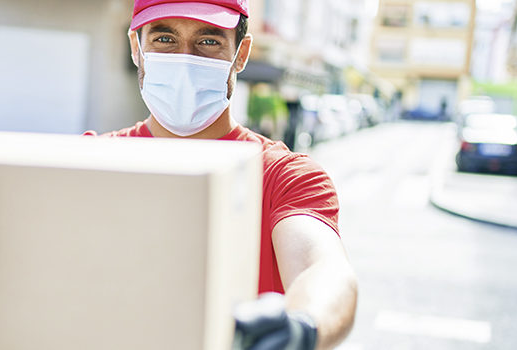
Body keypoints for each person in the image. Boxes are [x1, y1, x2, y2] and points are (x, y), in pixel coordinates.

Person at [84, 1, 358, 349]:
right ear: (137, 48)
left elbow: (322, 270)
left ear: (240, 54)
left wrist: (302, 324)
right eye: (165, 38)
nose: (185, 58)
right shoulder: (91, 163)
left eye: (208, 42)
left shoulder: (284, 177)